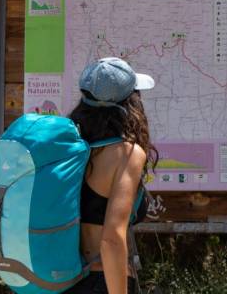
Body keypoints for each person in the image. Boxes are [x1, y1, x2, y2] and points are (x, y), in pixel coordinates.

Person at [66, 57, 157, 294]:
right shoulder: (126, 154)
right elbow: (112, 239)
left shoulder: (67, 146)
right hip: (101, 278)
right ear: (130, 103)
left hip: (62, 278)